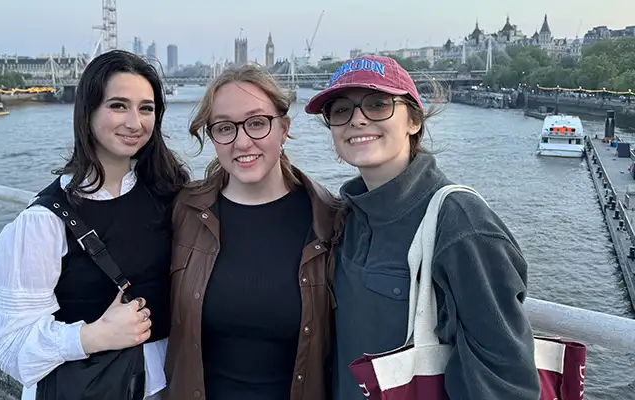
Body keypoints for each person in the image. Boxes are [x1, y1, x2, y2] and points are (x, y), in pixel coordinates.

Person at [303, 55, 541, 400]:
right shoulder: (346, 218)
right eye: (340, 110)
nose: (356, 119)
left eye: (378, 104)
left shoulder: (461, 224)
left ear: (414, 120)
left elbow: (504, 381)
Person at [0, 50, 189, 400]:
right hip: (88, 388)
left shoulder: (168, 194)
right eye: (118, 106)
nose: (134, 122)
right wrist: (93, 336)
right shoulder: (44, 222)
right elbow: (9, 347)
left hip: (165, 383)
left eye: (146, 108)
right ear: (88, 111)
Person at [164, 65, 339, 400]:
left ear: (284, 128)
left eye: (257, 123)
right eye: (225, 128)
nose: (242, 142)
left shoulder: (329, 219)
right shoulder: (184, 212)